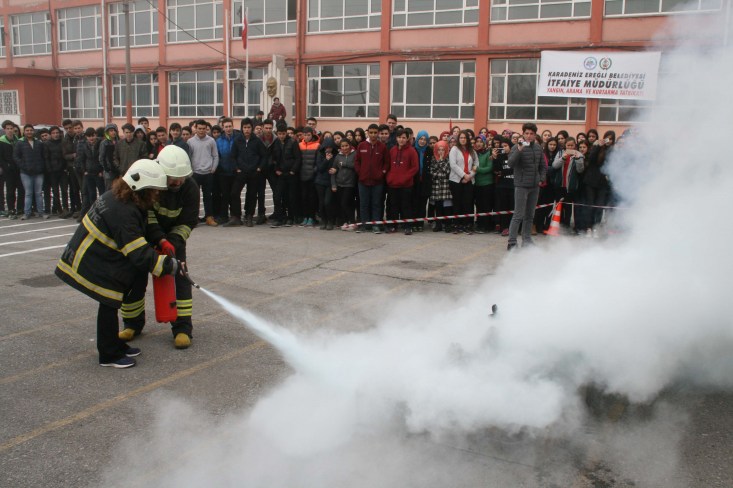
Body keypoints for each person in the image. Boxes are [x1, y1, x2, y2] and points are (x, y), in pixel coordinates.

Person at [55, 159, 179, 368]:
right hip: (92, 259)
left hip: (98, 256)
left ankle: (115, 345)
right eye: (154, 190)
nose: (156, 195)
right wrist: (168, 266)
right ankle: (109, 354)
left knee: (110, 303)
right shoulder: (124, 211)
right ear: (142, 188)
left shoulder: (123, 198)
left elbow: (142, 229)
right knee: (109, 302)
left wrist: (160, 240)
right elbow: (138, 253)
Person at [119, 145, 200, 349]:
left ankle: (182, 328)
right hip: (145, 236)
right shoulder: (152, 183)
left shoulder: (191, 188)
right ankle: (132, 324)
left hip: (175, 240)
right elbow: (148, 214)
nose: (178, 182)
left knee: (180, 279)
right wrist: (159, 239)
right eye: (173, 178)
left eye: (182, 178)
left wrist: (173, 241)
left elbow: (188, 222)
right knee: (134, 278)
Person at [506, 122, 546, 250]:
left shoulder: (538, 148)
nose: (529, 136)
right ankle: (512, 242)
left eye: (531, 134)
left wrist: (541, 178)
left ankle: (527, 240)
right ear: (523, 134)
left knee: (530, 215)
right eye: (526, 133)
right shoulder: (516, 147)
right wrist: (519, 150)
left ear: (535, 135)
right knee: (518, 215)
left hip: (535, 186)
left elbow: (543, 166)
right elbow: (511, 163)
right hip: (521, 185)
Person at [226, 117, 267, 227]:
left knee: (251, 194)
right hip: (241, 172)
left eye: (248, 127)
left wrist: (259, 168)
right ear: (242, 128)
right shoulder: (237, 140)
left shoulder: (257, 141)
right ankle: (236, 216)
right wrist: (237, 168)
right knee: (234, 193)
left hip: (254, 172)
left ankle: (249, 216)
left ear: (252, 128)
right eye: (244, 127)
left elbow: (264, 156)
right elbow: (233, 156)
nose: (247, 130)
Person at [354, 123, 389, 233]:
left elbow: (386, 163)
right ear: (368, 133)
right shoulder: (361, 146)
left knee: (376, 204)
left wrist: (382, 173)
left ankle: (375, 225)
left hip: (378, 182)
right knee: (364, 204)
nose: (373, 135)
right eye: (371, 132)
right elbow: (357, 161)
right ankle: (365, 225)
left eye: (375, 132)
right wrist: (360, 172)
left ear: (378, 133)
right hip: (363, 181)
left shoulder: (382, 147)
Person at [386, 129, 418, 235]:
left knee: (406, 206)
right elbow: (388, 166)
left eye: (403, 137)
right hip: (393, 184)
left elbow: (415, 167)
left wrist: (404, 178)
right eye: (399, 137)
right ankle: (393, 226)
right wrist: (389, 177)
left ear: (407, 138)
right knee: (393, 206)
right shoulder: (392, 150)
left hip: (406, 185)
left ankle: (407, 226)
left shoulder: (412, 151)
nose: (401, 139)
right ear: (396, 138)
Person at [269, 121, 301, 227]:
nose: (281, 136)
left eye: (283, 134)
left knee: (291, 197)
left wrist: (293, 170)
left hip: (291, 174)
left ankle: (290, 218)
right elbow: (273, 158)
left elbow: (298, 158)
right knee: (277, 196)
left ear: (286, 133)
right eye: (279, 134)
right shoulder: (276, 143)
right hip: (281, 174)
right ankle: (279, 217)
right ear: (277, 133)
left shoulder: (292, 142)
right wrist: (276, 169)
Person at [187, 119, 219, 226]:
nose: (201, 131)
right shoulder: (190, 141)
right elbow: (188, 157)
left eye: (203, 129)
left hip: (208, 173)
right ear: (195, 129)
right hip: (195, 173)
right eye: (199, 128)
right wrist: (191, 170)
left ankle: (209, 217)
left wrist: (213, 168)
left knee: (208, 197)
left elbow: (215, 156)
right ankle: (194, 218)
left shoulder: (211, 141)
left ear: (206, 129)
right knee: (194, 197)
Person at [551, 136, 585, 231]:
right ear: (565, 145)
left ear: (575, 146)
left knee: (568, 206)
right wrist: (563, 158)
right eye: (568, 145)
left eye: (572, 145)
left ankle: (566, 225)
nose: (570, 147)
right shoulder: (560, 153)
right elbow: (554, 166)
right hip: (559, 185)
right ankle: (559, 224)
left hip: (571, 186)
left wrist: (578, 160)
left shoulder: (579, 154)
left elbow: (580, 170)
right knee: (559, 205)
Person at [14, 124, 47, 220]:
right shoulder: (20, 143)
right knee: (28, 193)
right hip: (25, 173)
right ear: (24, 132)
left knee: (39, 193)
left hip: (38, 172)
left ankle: (41, 212)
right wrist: (24, 166)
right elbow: (16, 157)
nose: (29, 132)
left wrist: (41, 167)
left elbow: (43, 156)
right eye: (27, 130)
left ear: (33, 131)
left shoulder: (39, 143)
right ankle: (27, 213)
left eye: (31, 130)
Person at [448, 130, 478, 234]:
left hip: (469, 180)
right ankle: (457, 224)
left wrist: (470, 176)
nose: (463, 139)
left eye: (465, 138)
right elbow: (453, 165)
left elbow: (476, 164)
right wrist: (464, 175)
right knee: (457, 203)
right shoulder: (454, 149)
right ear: (458, 139)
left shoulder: (472, 151)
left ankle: (467, 224)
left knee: (468, 203)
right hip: (456, 180)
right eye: (461, 138)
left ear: (468, 139)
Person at [75, 127, 105, 220]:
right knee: (91, 194)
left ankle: (103, 212)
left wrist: (102, 171)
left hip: (98, 173)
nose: (91, 138)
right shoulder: (85, 145)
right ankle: (93, 213)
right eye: (89, 136)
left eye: (93, 135)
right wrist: (84, 171)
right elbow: (82, 159)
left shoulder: (100, 144)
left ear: (96, 135)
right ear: (86, 137)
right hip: (89, 173)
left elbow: (103, 158)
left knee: (102, 193)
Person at [332, 138, 357, 230]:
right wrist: (333, 184)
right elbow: (333, 170)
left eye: (346, 145)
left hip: (350, 184)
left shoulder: (355, 154)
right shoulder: (338, 156)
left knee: (345, 203)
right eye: (342, 146)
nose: (345, 148)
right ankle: (345, 221)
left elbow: (356, 166)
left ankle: (353, 222)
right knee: (342, 204)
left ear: (350, 145)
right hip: (339, 184)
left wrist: (345, 164)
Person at [314, 138, 338, 230]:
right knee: (321, 203)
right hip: (320, 182)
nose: (328, 149)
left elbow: (336, 167)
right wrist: (326, 160)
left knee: (328, 202)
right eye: (327, 147)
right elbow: (320, 168)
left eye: (330, 147)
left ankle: (330, 220)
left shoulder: (335, 155)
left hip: (330, 182)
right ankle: (324, 220)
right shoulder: (320, 154)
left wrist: (335, 169)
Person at [1, 120, 23, 219]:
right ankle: (11, 209)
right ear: (4, 129)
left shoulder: (18, 140)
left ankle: (20, 208)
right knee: (10, 191)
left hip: (19, 169)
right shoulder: (2, 141)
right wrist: (6, 166)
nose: (10, 130)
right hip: (9, 170)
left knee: (21, 189)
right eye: (8, 129)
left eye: (11, 128)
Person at [473, 136, 495, 234]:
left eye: (481, 141)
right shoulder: (475, 153)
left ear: (485, 142)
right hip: (477, 183)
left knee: (486, 205)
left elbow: (489, 168)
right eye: (477, 141)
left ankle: (486, 226)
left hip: (487, 184)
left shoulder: (489, 153)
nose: (478, 144)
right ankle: (479, 224)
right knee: (479, 205)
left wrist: (477, 169)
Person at [44, 126, 68, 217]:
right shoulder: (47, 144)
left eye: (57, 133)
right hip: (52, 171)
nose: (56, 135)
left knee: (64, 190)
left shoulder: (63, 142)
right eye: (53, 133)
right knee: (55, 191)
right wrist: (49, 169)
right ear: (50, 134)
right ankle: (58, 208)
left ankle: (65, 208)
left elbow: (65, 156)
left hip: (62, 170)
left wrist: (65, 167)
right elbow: (46, 158)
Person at [412, 130, 433, 232]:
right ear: (417, 139)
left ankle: (420, 224)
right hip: (414, 182)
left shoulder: (429, 151)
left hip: (425, 182)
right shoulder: (413, 150)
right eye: (421, 139)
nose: (422, 141)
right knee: (414, 203)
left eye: (425, 139)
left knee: (422, 204)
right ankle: (413, 223)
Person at [494, 136, 514, 235]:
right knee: (503, 207)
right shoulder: (500, 157)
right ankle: (504, 227)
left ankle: (513, 227)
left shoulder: (515, 156)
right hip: (502, 185)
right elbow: (496, 170)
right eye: (502, 146)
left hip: (513, 185)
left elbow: (514, 169)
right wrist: (495, 158)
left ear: (510, 146)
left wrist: (503, 173)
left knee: (512, 207)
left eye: (506, 146)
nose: (504, 148)